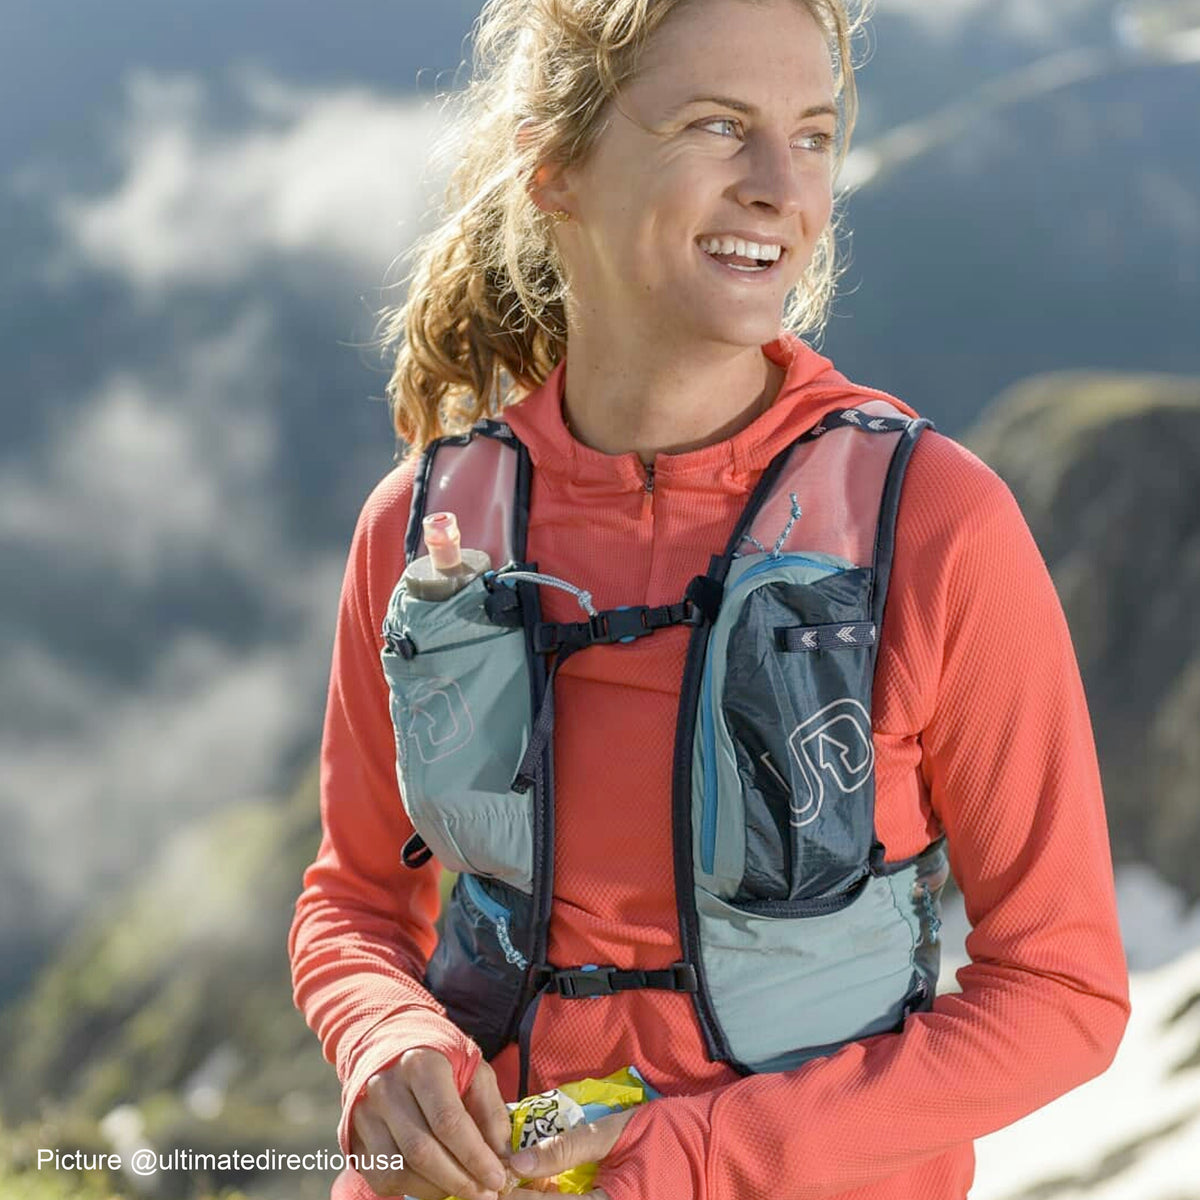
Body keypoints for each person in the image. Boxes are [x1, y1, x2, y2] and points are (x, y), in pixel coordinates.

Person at [287, 1, 1131, 1198]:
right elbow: (355, 899)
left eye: (816, 135)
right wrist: (384, 1037)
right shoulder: (425, 530)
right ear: (558, 165)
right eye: (718, 126)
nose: (783, 186)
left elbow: (1064, 992)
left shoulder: (935, 524)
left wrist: (697, 1154)